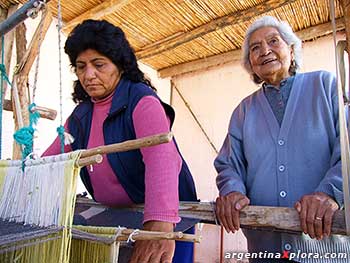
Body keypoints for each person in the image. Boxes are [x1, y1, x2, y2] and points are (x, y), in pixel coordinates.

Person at [43, 19, 197, 263]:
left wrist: (158, 226)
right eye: (81, 66)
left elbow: (162, 159)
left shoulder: (142, 102)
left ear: (121, 66)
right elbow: (50, 163)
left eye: (99, 64)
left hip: (168, 218)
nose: (88, 74)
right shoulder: (80, 117)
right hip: (117, 217)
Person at [215, 16, 349, 263]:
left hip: (326, 250)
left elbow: (348, 149)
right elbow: (229, 166)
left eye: (273, 41)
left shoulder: (325, 86)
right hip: (265, 251)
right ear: (251, 64)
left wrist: (329, 193)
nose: (264, 50)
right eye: (255, 48)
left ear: (291, 49)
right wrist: (232, 192)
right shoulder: (243, 112)